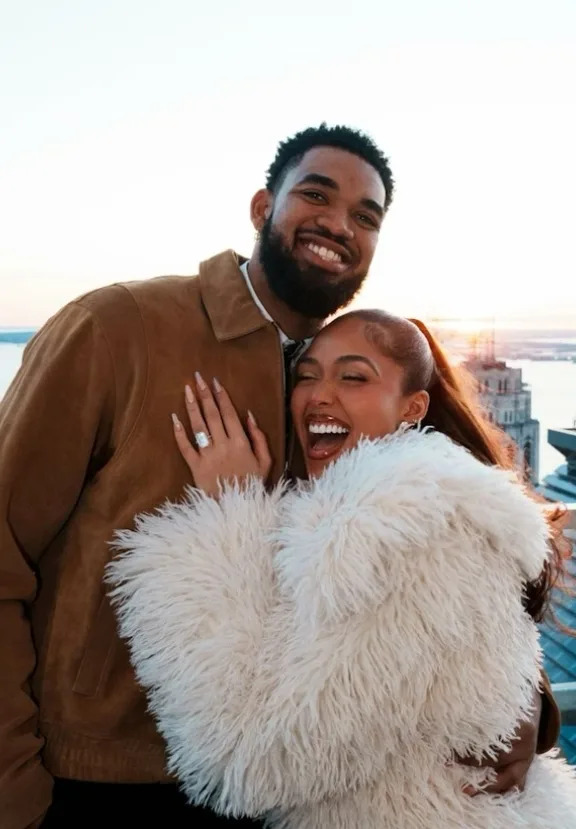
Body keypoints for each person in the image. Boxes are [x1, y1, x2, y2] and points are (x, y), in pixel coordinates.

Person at [0, 123, 558, 829]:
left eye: (366, 215)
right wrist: (12, 790)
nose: (338, 224)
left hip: (287, 791)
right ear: (264, 207)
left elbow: (440, 548)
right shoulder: (120, 328)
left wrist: (521, 704)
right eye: (316, 195)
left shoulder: (354, 382)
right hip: (98, 785)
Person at [108, 310, 576, 828]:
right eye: (305, 375)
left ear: (413, 407)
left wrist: (228, 513)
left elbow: (248, 761)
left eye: (353, 377)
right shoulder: (345, 502)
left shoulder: (408, 525)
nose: (319, 394)